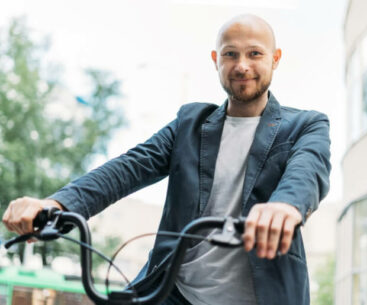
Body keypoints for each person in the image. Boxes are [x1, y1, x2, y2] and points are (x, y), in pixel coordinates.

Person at [2, 14, 330, 305]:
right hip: (175, 292)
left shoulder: (306, 125)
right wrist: (56, 204)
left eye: (254, 54)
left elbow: (308, 170)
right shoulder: (190, 124)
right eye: (230, 54)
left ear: (275, 59)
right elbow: (127, 169)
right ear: (216, 60)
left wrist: (285, 205)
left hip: (264, 295)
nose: (241, 64)